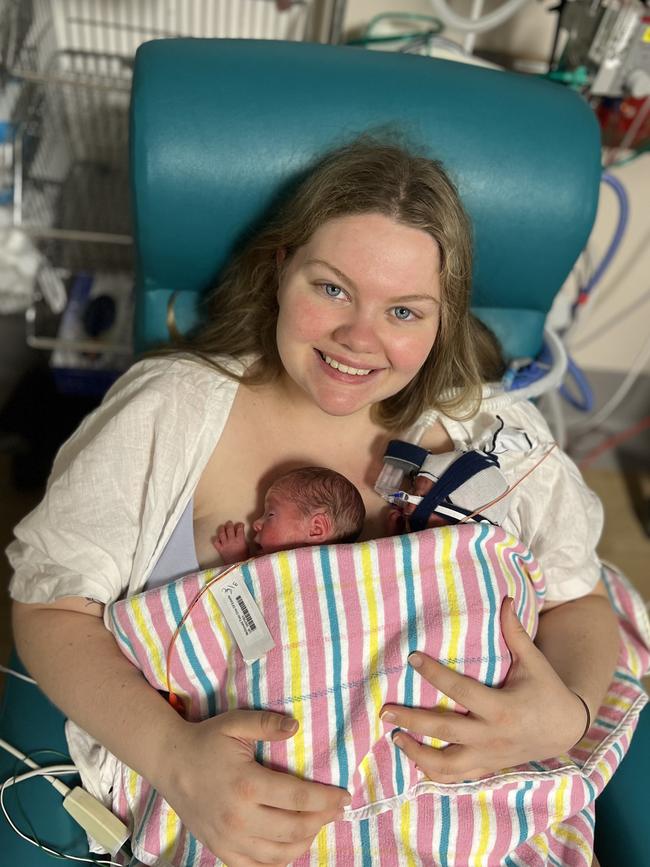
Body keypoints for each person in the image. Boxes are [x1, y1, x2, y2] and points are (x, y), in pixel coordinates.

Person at [8, 137, 620, 867]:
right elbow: (49, 610)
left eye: (404, 311)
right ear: (281, 267)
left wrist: (565, 715)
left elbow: (578, 601)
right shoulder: (172, 412)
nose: (359, 339)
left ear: (443, 318)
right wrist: (176, 758)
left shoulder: (492, 437)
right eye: (331, 288)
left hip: (468, 820)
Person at [212, 465, 365, 564]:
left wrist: (237, 559)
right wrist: (238, 559)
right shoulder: (271, 565)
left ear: (316, 529)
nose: (256, 523)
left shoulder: (344, 566)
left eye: (270, 515)